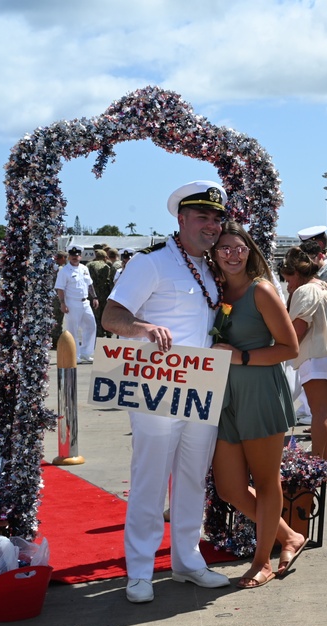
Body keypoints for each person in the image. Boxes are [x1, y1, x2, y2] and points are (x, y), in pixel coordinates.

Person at [102, 180, 232, 603]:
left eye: (216, 218)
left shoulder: (212, 268)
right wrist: (142, 328)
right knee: (150, 477)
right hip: (156, 383)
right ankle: (139, 570)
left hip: (200, 383)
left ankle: (187, 561)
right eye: (202, 217)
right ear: (181, 219)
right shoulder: (150, 263)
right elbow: (111, 315)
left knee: (193, 477)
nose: (211, 225)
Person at [207, 222, 305, 588]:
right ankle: (289, 536)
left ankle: (261, 561)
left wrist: (241, 358)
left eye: (239, 248)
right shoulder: (213, 291)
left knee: (266, 483)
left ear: (250, 251)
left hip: (260, 393)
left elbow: (290, 347)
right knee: (229, 487)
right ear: (214, 254)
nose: (232, 254)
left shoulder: (261, 291)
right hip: (223, 397)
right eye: (224, 248)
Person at [281, 246, 327, 461]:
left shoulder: (305, 291)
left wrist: (280, 350)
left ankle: (316, 461)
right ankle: (324, 459)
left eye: (288, 279)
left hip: (318, 354)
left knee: (319, 412)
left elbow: (298, 330)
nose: (288, 285)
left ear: (296, 273)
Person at [55, 245, 98, 363]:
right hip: (72, 303)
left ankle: (86, 353)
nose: (75, 257)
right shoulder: (64, 271)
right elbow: (60, 289)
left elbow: (89, 284)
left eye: (77, 255)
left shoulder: (84, 268)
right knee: (72, 329)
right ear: (69, 256)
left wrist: (94, 297)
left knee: (91, 326)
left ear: (80, 256)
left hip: (85, 302)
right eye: (73, 255)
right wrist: (62, 303)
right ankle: (75, 355)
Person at [88, 248, 116, 338]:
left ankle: (98, 335)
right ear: (105, 257)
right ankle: (108, 334)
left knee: (96, 317)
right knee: (105, 316)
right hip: (105, 295)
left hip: (93, 296)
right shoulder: (107, 266)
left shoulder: (89, 265)